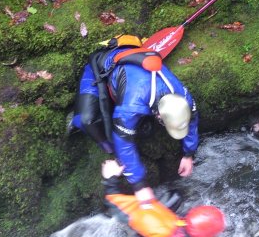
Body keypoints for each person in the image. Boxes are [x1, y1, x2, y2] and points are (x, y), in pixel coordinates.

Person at [70, 34, 199, 203]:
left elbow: (192, 121)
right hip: (100, 70)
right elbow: (123, 142)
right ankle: (104, 145)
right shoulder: (133, 105)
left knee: (141, 129)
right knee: (86, 121)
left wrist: (189, 154)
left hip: (132, 74)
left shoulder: (184, 98)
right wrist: (140, 185)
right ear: (159, 115)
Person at [101, 160, 225, 237]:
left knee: (174, 198)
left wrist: (110, 180)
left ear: (188, 218)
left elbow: (115, 204)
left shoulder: (162, 225)